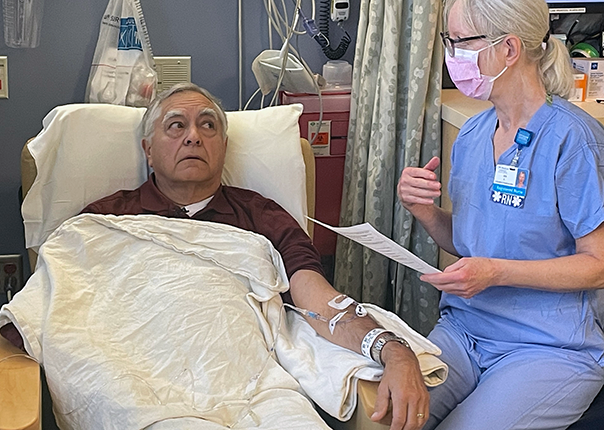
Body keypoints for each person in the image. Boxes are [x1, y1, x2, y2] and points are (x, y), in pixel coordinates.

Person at [63, 82, 429, 429]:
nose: (193, 136)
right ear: (148, 150)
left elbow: (319, 301)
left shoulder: (263, 217)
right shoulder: (104, 222)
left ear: (222, 145)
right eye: (176, 126)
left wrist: (392, 349)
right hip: (137, 382)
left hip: (253, 389)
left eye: (207, 125)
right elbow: (61, 313)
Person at [397, 0, 604, 429]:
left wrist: (494, 272)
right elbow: (469, 244)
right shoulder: (472, 135)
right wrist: (425, 212)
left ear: (509, 48)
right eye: (448, 41)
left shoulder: (574, 139)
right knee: (388, 417)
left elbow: (599, 266)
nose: (451, 54)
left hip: (549, 346)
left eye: (460, 42)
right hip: (464, 330)